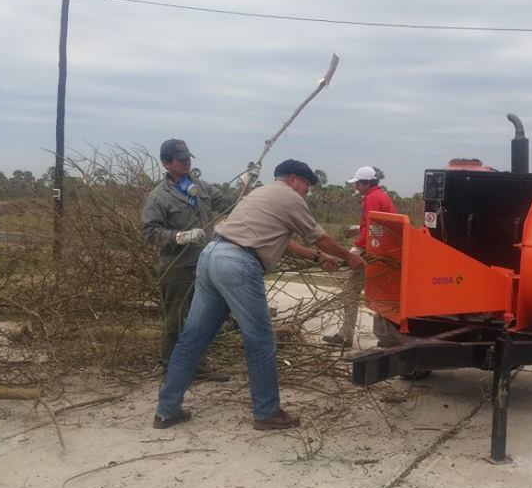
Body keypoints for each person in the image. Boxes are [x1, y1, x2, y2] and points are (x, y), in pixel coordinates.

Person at [154, 159, 365, 431]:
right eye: (306, 185)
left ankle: (166, 411)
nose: (307, 191)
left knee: (192, 338)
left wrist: (316, 257)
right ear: (292, 179)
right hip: (237, 264)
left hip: (211, 256)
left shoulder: (262, 193)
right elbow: (320, 237)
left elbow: (284, 241)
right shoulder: (290, 198)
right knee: (261, 340)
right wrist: (350, 257)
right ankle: (266, 412)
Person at [140, 139, 236, 377]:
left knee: (201, 317)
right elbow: (149, 232)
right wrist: (180, 236)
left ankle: (199, 364)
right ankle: (170, 366)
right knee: (175, 319)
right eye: (180, 159)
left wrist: (246, 183)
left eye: (187, 157)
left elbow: (227, 204)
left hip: (203, 264)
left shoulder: (201, 187)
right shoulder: (159, 196)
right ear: (166, 163)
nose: (186, 162)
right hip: (177, 267)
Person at [322, 166, 402, 348]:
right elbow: (379, 224)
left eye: (358, 183)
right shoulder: (382, 197)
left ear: (366, 183)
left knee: (350, 292)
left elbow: (374, 229)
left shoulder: (371, 198)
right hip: (384, 253)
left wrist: (355, 251)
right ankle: (389, 338)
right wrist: (358, 229)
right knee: (383, 295)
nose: (356, 187)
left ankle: (346, 335)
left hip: (372, 252)